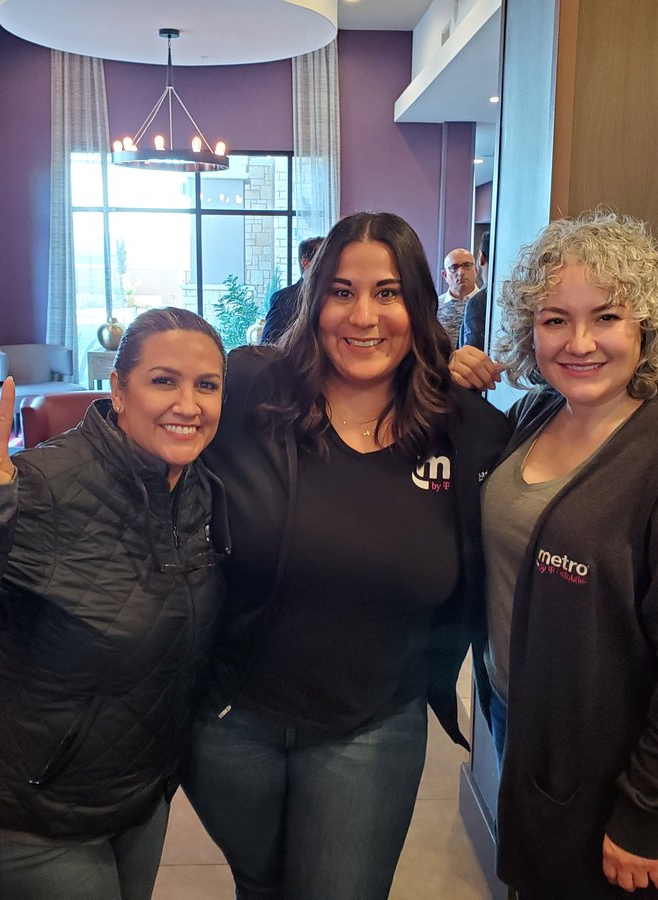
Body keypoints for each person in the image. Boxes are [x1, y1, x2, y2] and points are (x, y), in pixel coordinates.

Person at [184, 212, 511, 900]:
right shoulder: (250, 390)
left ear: (418, 303)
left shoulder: (467, 430)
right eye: (341, 291)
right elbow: (149, 432)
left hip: (371, 727)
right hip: (231, 722)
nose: (363, 316)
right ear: (314, 300)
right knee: (260, 888)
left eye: (388, 293)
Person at [450, 210, 658, 899]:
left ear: (646, 326)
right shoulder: (535, 416)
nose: (579, 342)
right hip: (525, 728)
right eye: (555, 319)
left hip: (619, 772)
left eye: (606, 317)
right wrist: (450, 381)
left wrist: (646, 808)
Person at [0, 308, 229, 900]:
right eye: (164, 380)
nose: (188, 404)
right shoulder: (39, 486)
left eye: (206, 385)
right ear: (118, 389)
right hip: (33, 813)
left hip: (139, 796)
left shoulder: (201, 490)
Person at [261, 236, 324, 344]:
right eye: (324, 259)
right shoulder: (283, 298)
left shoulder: (338, 296)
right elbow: (268, 344)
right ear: (306, 263)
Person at [436, 246, 478, 349]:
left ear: (476, 270)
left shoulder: (488, 304)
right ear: (445, 275)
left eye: (467, 265)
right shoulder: (434, 306)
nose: (461, 273)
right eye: (454, 267)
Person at [459, 229, 492, 350]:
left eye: (467, 265)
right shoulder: (517, 296)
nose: (460, 273)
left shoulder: (478, 302)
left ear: (481, 258)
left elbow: (472, 354)